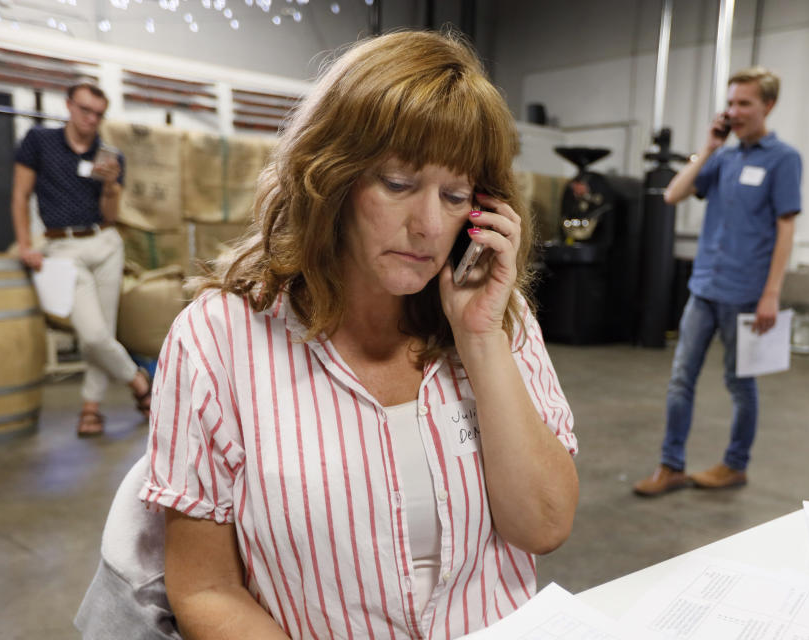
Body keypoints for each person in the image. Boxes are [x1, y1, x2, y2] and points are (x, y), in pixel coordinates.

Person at [140, 30, 579, 639]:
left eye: (454, 196)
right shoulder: (219, 339)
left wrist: (480, 340)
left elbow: (544, 527)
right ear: (330, 179)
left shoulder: (500, 318)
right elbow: (205, 587)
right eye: (397, 183)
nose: (428, 226)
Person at [634, 66, 801, 496]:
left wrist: (771, 294)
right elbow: (672, 194)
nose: (735, 111)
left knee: (740, 384)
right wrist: (708, 148)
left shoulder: (783, 159)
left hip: (746, 295)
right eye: (731, 103)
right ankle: (671, 466)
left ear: (768, 105)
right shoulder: (724, 158)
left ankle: (735, 464)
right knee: (680, 378)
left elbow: (786, 229)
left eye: (744, 103)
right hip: (704, 289)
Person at [11, 82, 151, 437]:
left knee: (104, 326)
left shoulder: (110, 156)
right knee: (93, 334)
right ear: (69, 105)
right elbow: (20, 194)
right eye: (85, 110)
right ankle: (138, 381)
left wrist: (110, 185)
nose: (91, 119)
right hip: (62, 248)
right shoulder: (39, 142)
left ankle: (91, 408)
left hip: (104, 243)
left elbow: (111, 215)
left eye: (99, 114)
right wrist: (26, 244)